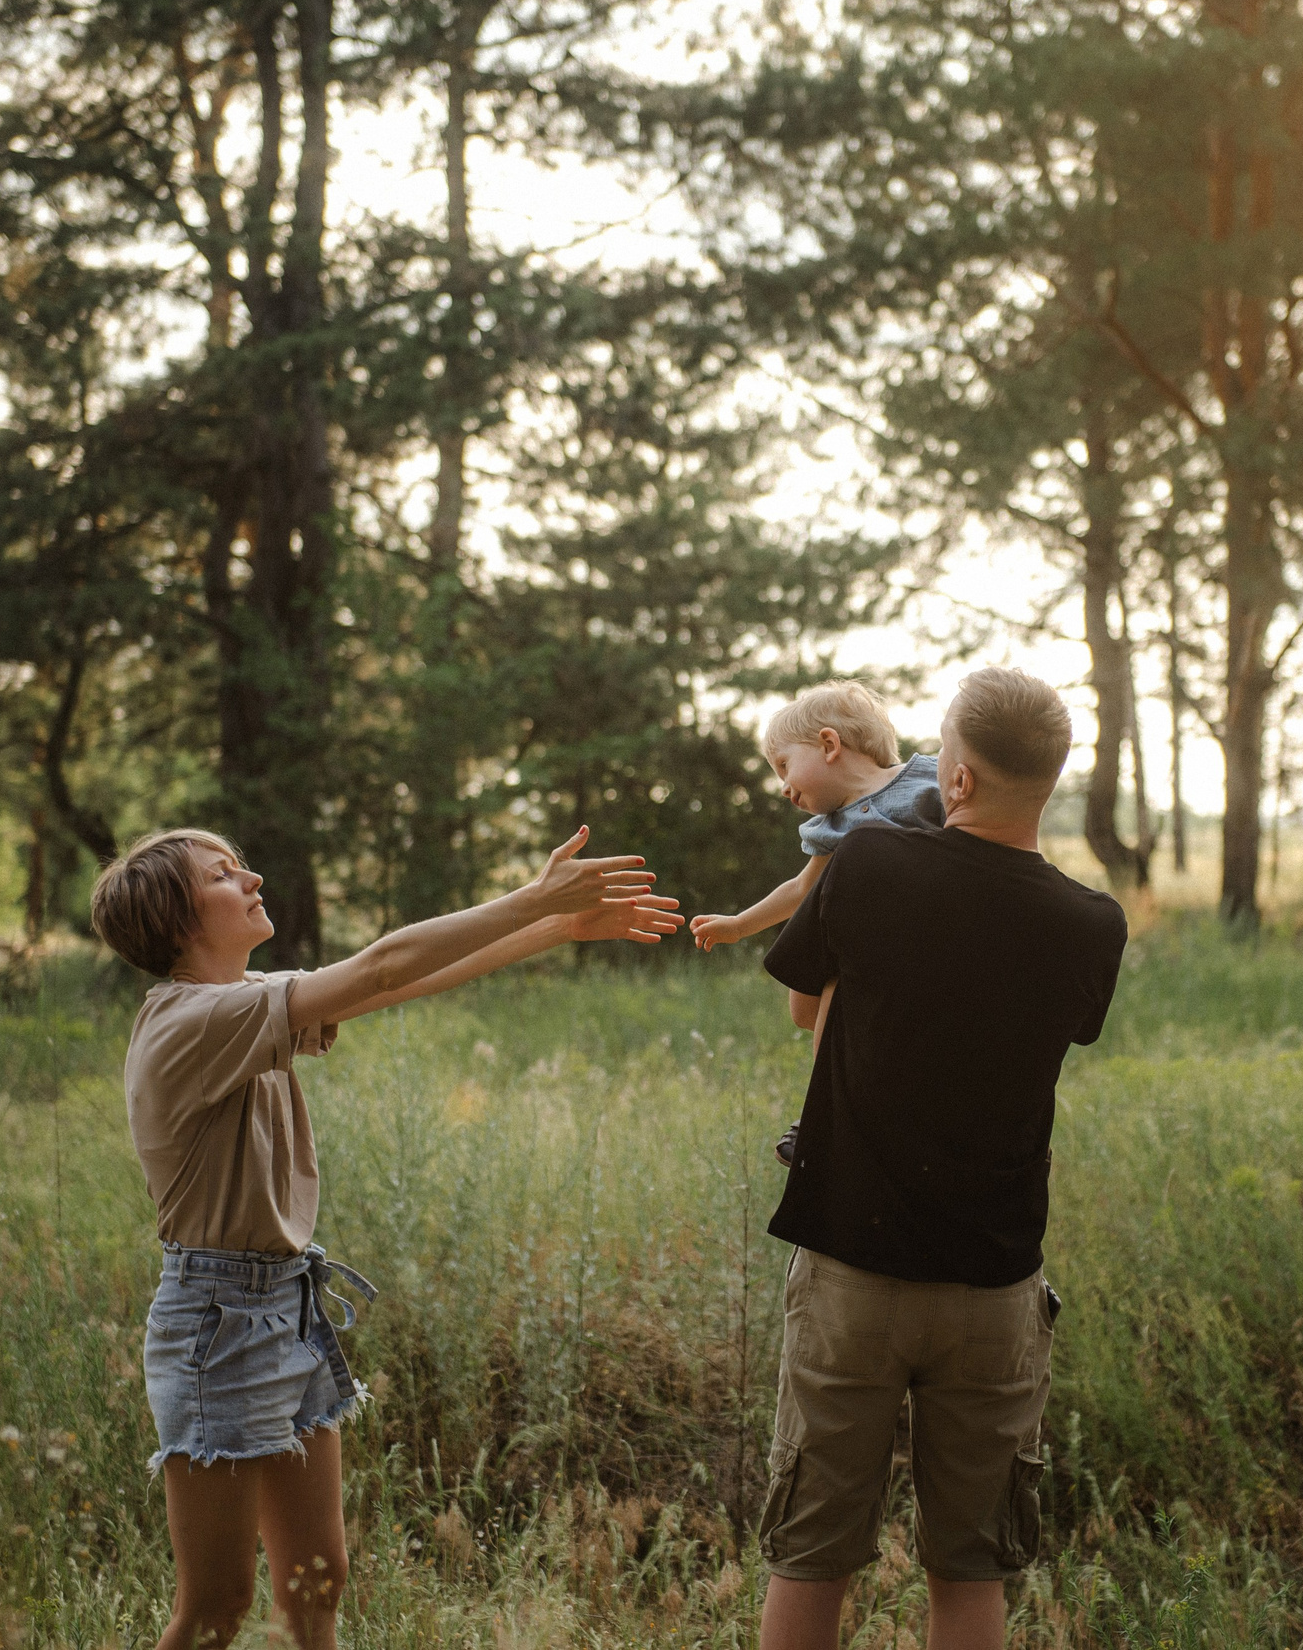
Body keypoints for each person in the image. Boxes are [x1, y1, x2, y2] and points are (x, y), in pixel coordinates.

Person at [88, 825, 677, 1650]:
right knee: (216, 1609)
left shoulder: (242, 999)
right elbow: (379, 964)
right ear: (178, 919)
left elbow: (386, 986)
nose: (253, 876)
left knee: (319, 1579)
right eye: (224, 874)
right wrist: (532, 898)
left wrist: (553, 929)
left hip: (283, 1306)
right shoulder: (190, 1021)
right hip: (214, 1322)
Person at [753, 668, 1129, 1650]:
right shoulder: (1092, 924)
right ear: (1045, 782)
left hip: (849, 1273)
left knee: (813, 1556)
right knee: (970, 1571)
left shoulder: (871, 865)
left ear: (953, 777)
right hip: (995, 1288)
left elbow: (802, 1003)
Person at [687, 679, 943, 954]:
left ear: (829, 745)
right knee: (805, 963)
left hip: (947, 919)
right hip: (890, 944)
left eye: (785, 766)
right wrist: (739, 925)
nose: (784, 788)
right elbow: (800, 889)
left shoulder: (928, 775)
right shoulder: (831, 830)